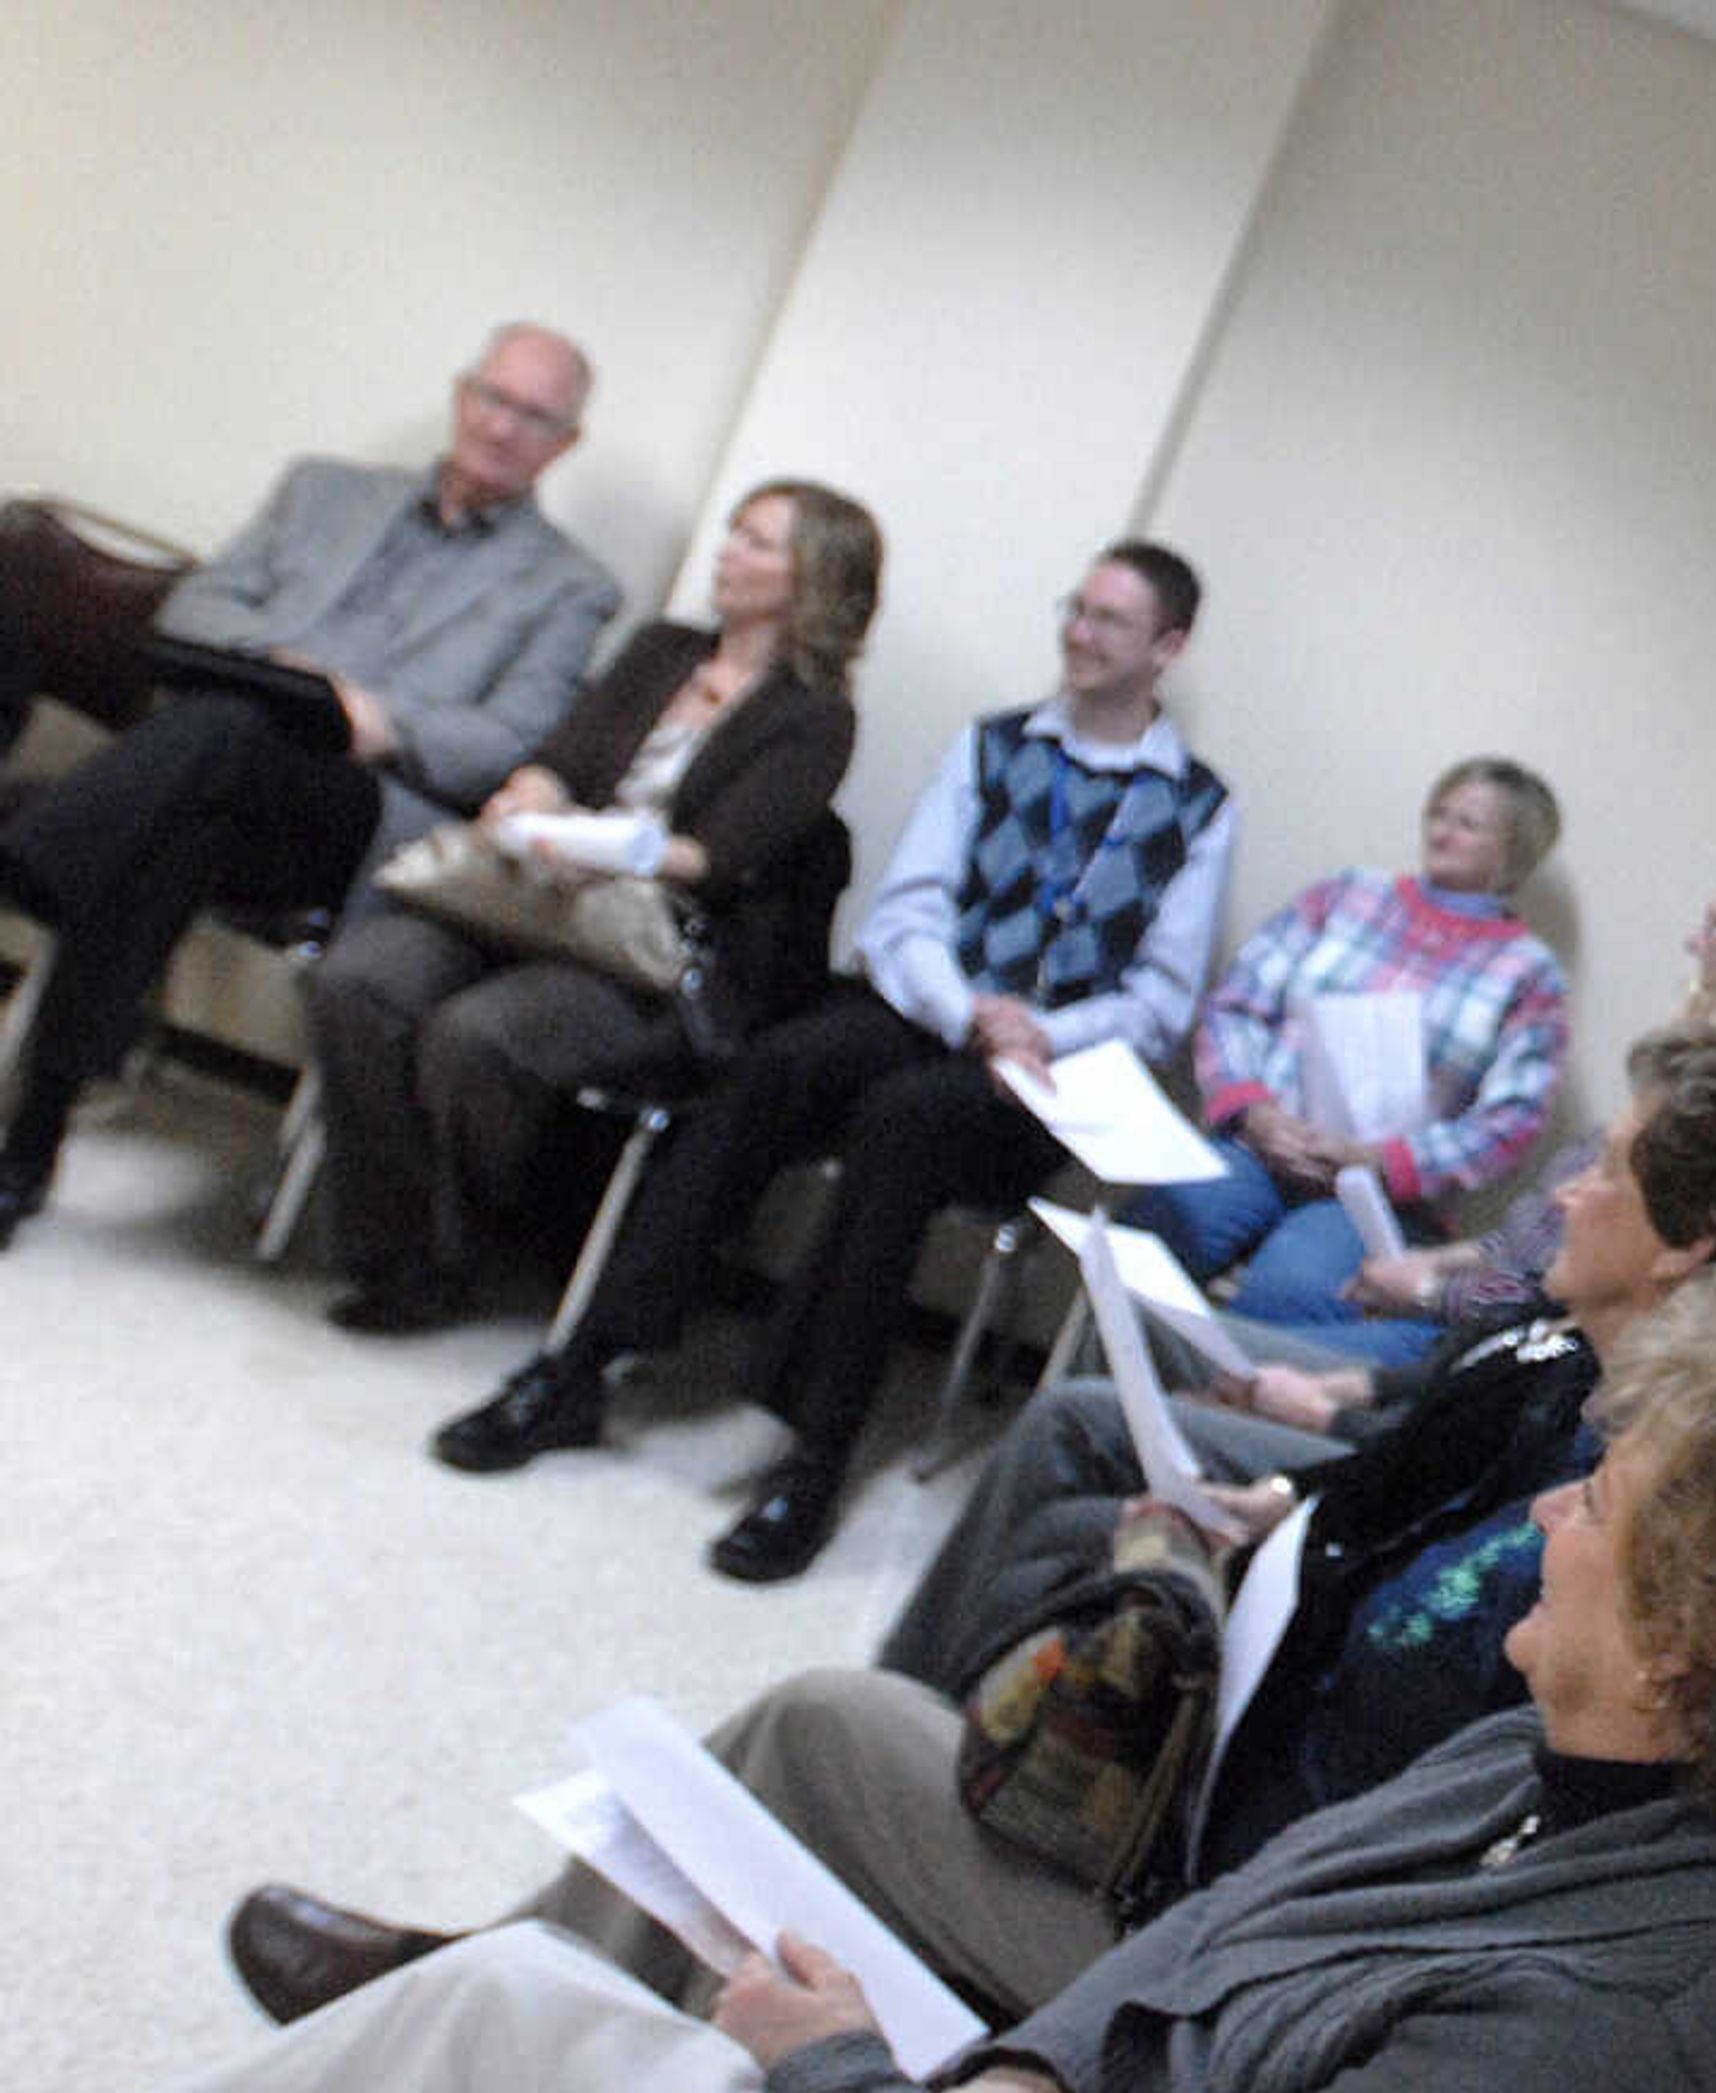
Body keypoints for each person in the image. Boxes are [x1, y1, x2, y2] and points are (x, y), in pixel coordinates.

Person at [24, 1259, 1716, 2093]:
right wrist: (1029, 2077)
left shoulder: (1621, 2043)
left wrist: (844, 2082)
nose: (1548, 1520)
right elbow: (1205, 1943)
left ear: (1705, 1638)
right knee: (482, 2065)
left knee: (498, 2026)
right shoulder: (1585, 1767)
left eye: (1599, 1507)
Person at [227, 993, 1716, 2030]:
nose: (1561, 1189)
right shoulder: (1560, 1356)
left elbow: (1372, 1837)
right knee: (1052, 1527)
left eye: (1601, 1170)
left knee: (810, 1721)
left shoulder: (1629, 1522)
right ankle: (663, 1935)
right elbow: (1370, 1514)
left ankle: (491, 1983)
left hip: (1183, 1906)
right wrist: (1247, 1524)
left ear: (1689, 1242)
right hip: (1192, 1761)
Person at [426, 543, 1237, 1584]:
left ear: (1166, 647)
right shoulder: (992, 746)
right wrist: (971, 1008)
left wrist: (1035, 1032)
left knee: (906, 1123)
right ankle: (585, 1365)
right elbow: (909, 913)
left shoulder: (1199, 805)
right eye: (1075, 608)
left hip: (1047, 1069)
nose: (1080, 633)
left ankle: (815, 1454)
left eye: (1111, 622)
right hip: (936, 1004)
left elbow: (1162, 999)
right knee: (770, 1067)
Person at [0, 324, 622, 1248]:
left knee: (209, 745)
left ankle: (30, 862)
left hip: (354, 803)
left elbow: (508, 742)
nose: (500, 428)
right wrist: (281, 668)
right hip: (218, 772)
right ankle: (29, 1141)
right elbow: (195, 606)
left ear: (564, 444)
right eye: (492, 398)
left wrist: (376, 717)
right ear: (461, 394)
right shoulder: (323, 490)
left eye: (532, 417)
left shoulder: (571, 586)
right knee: (183, 810)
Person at [301, 478, 882, 1334]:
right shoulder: (661, 649)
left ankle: (449, 1254)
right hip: (522, 900)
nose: (728, 552)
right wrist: (527, 798)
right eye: (734, 533)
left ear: (813, 576)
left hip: (637, 949)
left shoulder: (816, 719)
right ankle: (401, 1241)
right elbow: (558, 758)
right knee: (361, 979)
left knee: (478, 1036)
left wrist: (591, 843)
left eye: (758, 542)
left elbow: (715, 859)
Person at [1272, 842, 1716, 1366]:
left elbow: (1545, 1304)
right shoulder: (1674, 1089)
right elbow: (1530, 1242)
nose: (1699, 950)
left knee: (1275, 1305)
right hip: (1465, 1343)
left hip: (1473, 1346)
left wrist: (1428, 1292)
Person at [1128, 756, 1569, 1330]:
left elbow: (1511, 1124)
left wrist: (1381, 1161)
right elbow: (1237, 1007)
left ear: (1515, 849)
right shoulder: (1345, 896)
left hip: (1375, 1196)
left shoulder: (1529, 974)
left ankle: (1210, 1416)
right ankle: (1089, 1408)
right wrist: (1257, 1114)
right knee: (1150, 1233)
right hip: (1263, 1146)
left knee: (1293, 1295)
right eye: (1439, 813)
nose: (1441, 831)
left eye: (1468, 823)